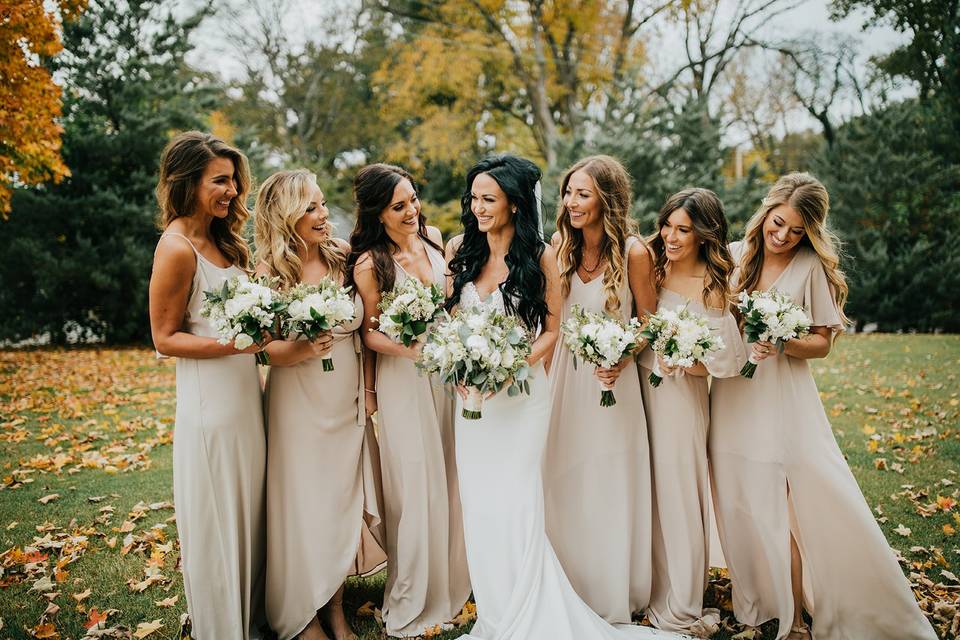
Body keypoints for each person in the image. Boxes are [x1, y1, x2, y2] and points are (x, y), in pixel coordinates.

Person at [446, 154, 690, 640]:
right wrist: (460, 363)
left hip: (542, 390)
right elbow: (455, 321)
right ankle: (501, 606)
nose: (477, 207)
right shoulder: (485, 250)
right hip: (491, 396)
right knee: (496, 500)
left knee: (530, 496)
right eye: (568, 193)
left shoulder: (550, 254)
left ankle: (559, 601)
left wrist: (512, 366)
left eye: (584, 193)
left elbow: (568, 327)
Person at [709, 173, 937, 640]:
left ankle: (793, 619)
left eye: (795, 231)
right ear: (766, 210)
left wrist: (782, 341)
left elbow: (822, 343)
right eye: (778, 223)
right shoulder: (733, 256)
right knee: (740, 495)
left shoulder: (811, 267)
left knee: (788, 504)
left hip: (783, 397)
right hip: (733, 393)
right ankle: (759, 604)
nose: (783, 236)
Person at [254, 169, 386, 640]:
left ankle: (333, 610)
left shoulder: (344, 258)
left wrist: (368, 393)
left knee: (338, 503)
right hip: (297, 404)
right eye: (310, 207)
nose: (323, 214)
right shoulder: (270, 273)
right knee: (303, 506)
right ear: (286, 215)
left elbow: (367, 332)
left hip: (345, 399)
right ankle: (303, 614)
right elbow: (263, 349)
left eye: (323, 204)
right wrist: (305, 347)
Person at [148, 131, 266, 639]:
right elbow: (164, 337)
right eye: (220, 181)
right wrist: (235, 344)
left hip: (247, 402)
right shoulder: (176, 249)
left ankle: (254, 615)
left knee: (250, 511)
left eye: (234, 182)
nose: (232, 192)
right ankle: (222, 627)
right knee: (219, 518)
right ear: (187, 182)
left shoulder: (224, 241)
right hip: (209, 407)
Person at [345, 164, 470, 638]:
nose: (412, 211)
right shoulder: (369, 264)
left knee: (451, 474)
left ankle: (453, 579)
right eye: (399, 206)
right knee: (415, 486)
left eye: (414, 199)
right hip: (405, 379)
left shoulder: (436, 238)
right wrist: (412, 349)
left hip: (447, 376)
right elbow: (371, 336)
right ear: (378, 213)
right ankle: (413, 593)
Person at [545, 155, 656, 623]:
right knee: (564, 476)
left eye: (583, 193)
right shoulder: (559, 247)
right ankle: (568, 584)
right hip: (564, 382)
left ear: (606, 199)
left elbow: (650, 323)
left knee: (608, 480)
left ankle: (612, 588)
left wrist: (622, 356)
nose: (572, 202)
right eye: (569, 192)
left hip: (613, 383)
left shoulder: (634, 252)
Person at [637, 188, 743, 637]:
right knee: (644, 488)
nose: (672, 236)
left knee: (679, 491)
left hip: (683, 398)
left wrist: (688, 361)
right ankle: (641, 583)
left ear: (705, 235)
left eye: (684, 229)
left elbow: (731, 357)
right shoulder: (650, 269)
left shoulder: (715, 283)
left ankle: (680, 596)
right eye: (668, 225)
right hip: (638, 388)